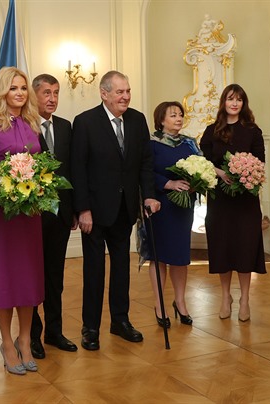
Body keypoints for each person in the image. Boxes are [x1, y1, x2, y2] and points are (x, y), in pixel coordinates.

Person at [70, 70, 160, 351]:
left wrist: (149, 196)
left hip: (125, 209)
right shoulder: (85, 122)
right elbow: (78, 169)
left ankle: (120, 321)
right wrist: (83, 209)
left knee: (122, 268)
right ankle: (91, 327)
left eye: (128, 91)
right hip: (94, 213)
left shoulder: (137, 120)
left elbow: (144, 163)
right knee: (94, 271)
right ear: (104, 93)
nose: (126, 97)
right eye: (120, 92)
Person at [0, 67, 44, 375]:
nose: (19, 93)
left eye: (23, 88)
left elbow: (41, 165)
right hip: (2, 214)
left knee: (29, 276)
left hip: (29, 213)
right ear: (3, 92)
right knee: (6, 276)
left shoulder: (33, 124)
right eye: (13, 88)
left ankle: (25, 339)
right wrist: (7, 182)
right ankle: (6, 343)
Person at [200, 84, 266, 322]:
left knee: (245, 247)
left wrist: (245, 173)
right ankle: (225, 296)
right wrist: (220, 172)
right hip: (220, 201)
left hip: (246, 201)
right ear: (224, 102)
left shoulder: (253, 131)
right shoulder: (212, 130)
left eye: (239, 99)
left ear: (243, 103)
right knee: (223, 247)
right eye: (230, 99)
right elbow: (203, 161)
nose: (235, 103)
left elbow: (260, 163)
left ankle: (245, 299)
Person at [29, 74, 78, 359]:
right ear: (35, 96)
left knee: (55, 277)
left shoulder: (65, 126)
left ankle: (54, 331)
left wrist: (72, 208)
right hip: (34, 215)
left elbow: (70, 170)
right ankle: (32, 335)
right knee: (35, 275)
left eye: (56, 93)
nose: (52, 98)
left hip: (60, 215)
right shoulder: (24, 127)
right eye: (46, 93)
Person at [145, 101, 199, 328]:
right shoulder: (151, 144)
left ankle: (180, 301)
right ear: (161, 119)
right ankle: (160, 305)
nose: (178, 118)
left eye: (180, 114)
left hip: (183, 208)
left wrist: (198, 182)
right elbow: (145, 173)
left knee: (180, 257)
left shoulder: (189, 144)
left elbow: (200, 166)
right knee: (160, 258)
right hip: (160, 206)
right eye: (173, 115)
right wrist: (168, 183)